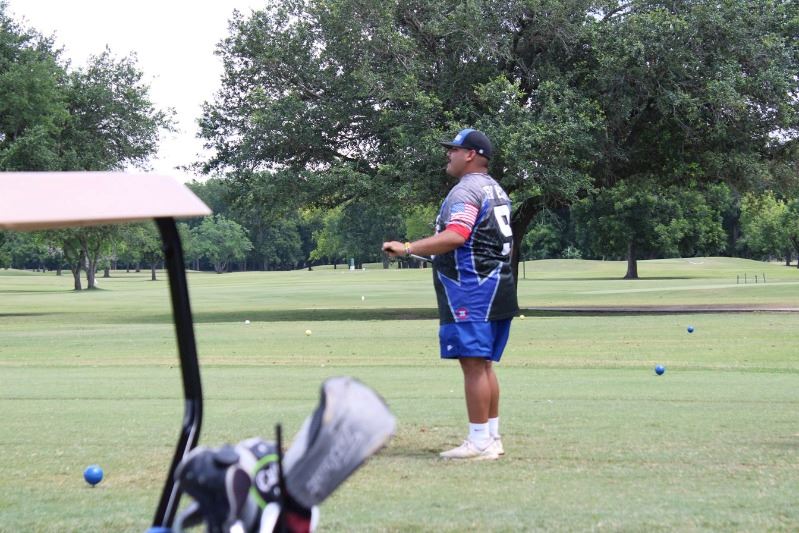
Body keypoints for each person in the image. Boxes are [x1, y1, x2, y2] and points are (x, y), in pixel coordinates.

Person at [383, 128, 518, 460]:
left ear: (471, 154)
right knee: (484, 365)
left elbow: (458, 235)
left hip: (471, 288)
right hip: (497, 284)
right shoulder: (495, 189)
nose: (449, 155)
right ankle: (491, 437)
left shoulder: (465, 191)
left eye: (454, 150)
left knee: (473, 364)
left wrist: (407, 247)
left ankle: (478, 442)